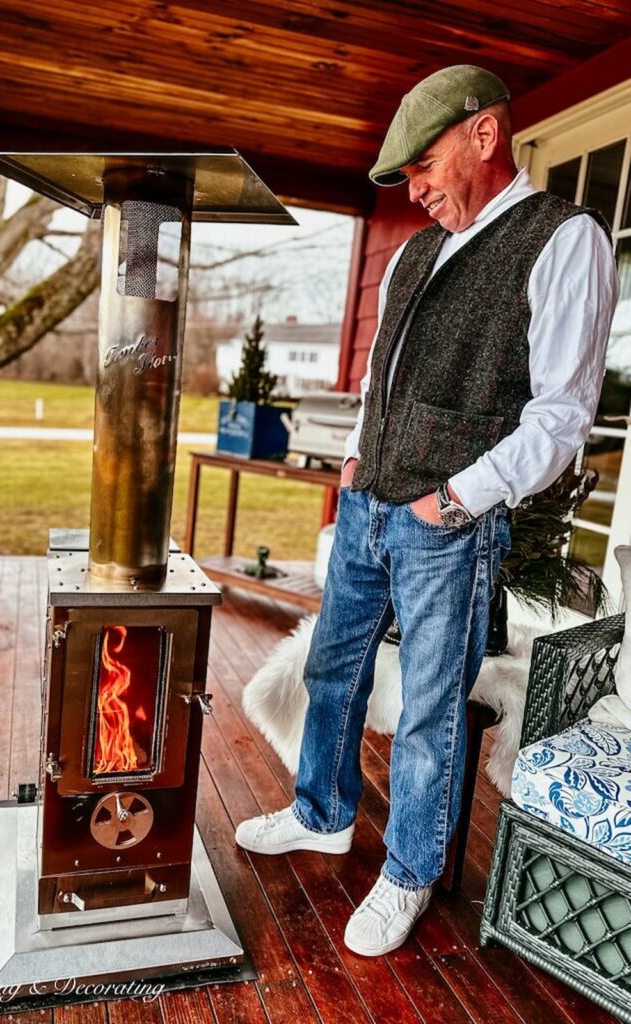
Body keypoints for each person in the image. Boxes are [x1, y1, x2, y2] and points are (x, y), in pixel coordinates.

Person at [235, 64, 619, 957]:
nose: (414, 192)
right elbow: (383, 373)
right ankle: (323, 814)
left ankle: (407, 874)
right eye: (404, 179)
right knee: (333, 671)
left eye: (423, 167)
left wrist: (456, 499)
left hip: (451, 519)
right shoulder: (413, 251)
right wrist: (358, 461)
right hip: (372, 501)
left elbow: (561, 417)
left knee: (431, 710)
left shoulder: (563, 239)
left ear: (485, 135)